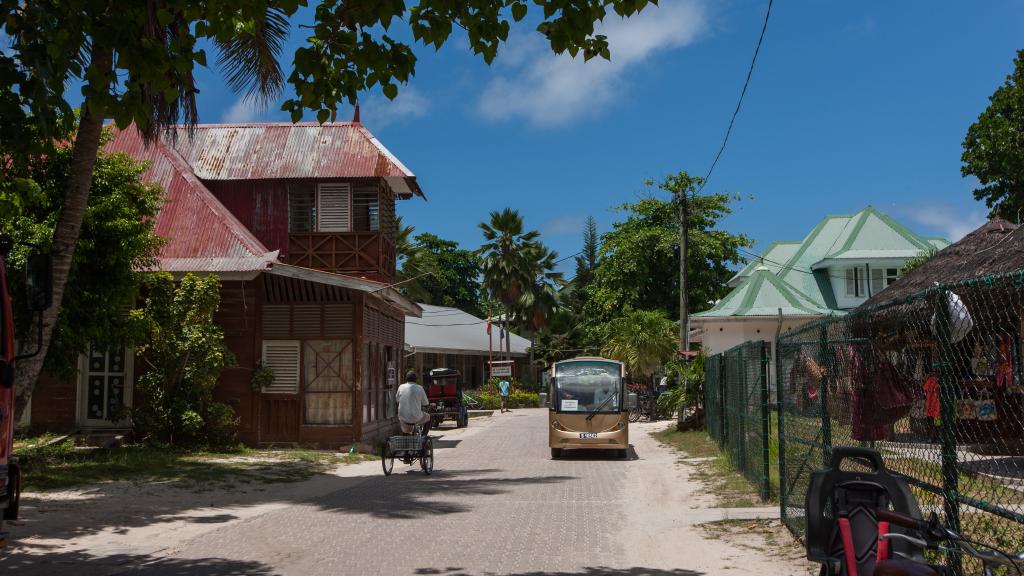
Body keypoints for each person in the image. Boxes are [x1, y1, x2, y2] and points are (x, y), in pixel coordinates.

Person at [397, 370, 431, 436]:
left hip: (402, 418)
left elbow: (397, 400)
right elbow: (426, 403)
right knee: (428, 417)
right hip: (416, 418)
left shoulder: (400, 387)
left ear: (406, 379)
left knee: (405, 429)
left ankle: (405, 437)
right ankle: (423, 437)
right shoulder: (420, 388)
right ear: (415, 379)